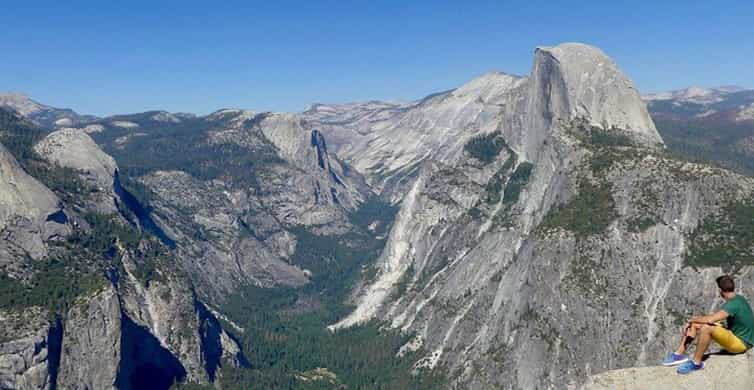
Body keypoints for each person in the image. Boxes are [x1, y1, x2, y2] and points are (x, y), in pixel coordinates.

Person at [661, 275, 754, 374]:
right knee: (696, 323)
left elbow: (710, 319)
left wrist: (690, 320)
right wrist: (694, 321)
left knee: (706, 328)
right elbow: (713, 318)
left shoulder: (732, 305)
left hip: (741, 343)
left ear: (720, 290)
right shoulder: (738, 299)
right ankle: (678, 355)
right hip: (736, 335)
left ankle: (696, 363)